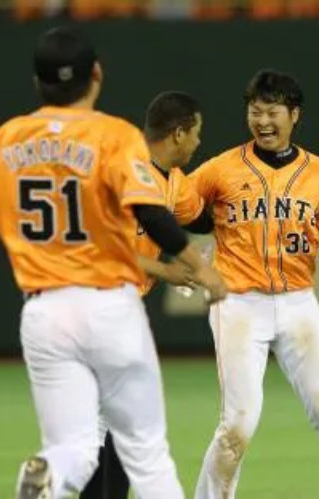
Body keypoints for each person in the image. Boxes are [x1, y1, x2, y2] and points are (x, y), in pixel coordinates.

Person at [0, 27, 226, 498]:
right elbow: (150, 211)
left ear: (38, 81)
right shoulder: (113, 136)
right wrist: (198, 267)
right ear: (96, 75)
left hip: (43, 313)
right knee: (146, 453)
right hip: (107, 305)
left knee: (73, 449)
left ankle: (49, 472)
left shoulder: (7, 139)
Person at [190, 69, 319, 499]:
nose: (263, 121)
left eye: (273, 112)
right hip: (238, 305)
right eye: (255, 112)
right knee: (237, 425)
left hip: (297, 303)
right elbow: (178, 209)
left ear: (294, 115)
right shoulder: (220, 169)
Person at [80, 90, 213, 499]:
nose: (198, 142)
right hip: (93, 302)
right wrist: (167, 270)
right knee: (114, 426)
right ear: (178, 134)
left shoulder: (172, 180)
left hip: (120, 307)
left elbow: (204, 218)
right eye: (196, 133)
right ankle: (46, 479)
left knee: (117, 425)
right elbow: (102, 248)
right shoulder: (123, 169)